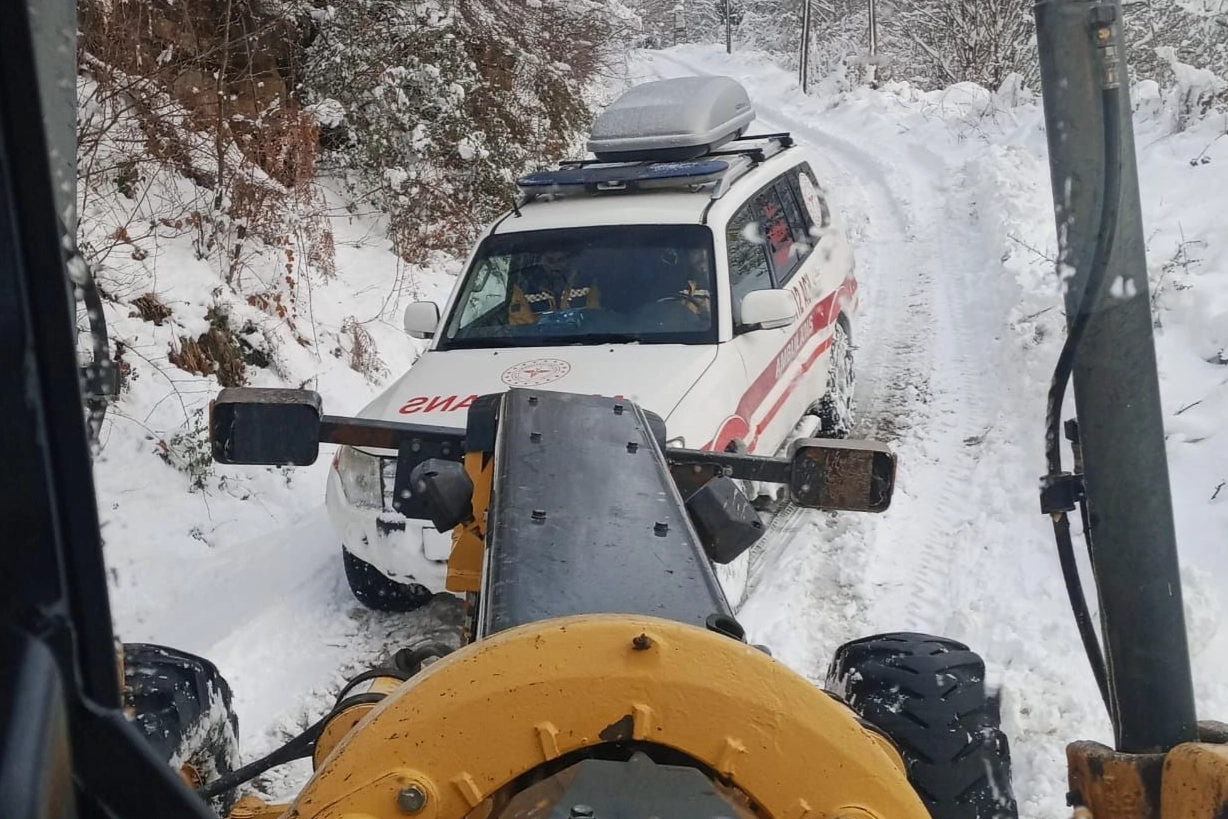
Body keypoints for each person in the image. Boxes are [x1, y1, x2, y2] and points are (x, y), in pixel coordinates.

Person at [507, 249, 601, 325]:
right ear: (542, 261)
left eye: (560, 260)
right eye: (549, 261)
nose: (554, 266)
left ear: (569, 260)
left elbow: (594, 318)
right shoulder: (525, 286)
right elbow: (521, 326)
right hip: (540, 344)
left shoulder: (586, 282)